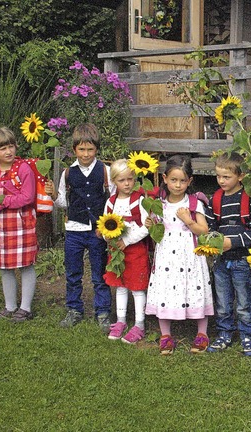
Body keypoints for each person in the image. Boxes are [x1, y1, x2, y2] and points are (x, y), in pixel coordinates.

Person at [46, 123, 114, 332]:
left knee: (99, 274)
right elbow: (63, 204)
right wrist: (53, 196)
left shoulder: (105, 171)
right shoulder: (68, 173)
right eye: (82, 149)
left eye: (90, 149)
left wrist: (108, 227)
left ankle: (102, 312)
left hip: (96, 231)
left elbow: (112, 202)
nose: (86, 154)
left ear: (97, 149)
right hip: (74, 230)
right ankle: (74, 309)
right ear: (75, 149)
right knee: (73, 273)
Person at [145, 155, 214, 355]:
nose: (178, 185)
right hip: (167, 256)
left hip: (190, 257)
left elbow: (204, 230)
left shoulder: (194, 203)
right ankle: (165, 334)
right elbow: (155, 229)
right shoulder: (158, 204)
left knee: (195, 288)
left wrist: (188, 220)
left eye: (183, 181)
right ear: (165, 178)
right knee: (165, 289)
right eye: (173, 180)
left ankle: (202, 333)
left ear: (190, 181)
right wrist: (150, 225)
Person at [205, 152, 251, 356]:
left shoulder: (250, 198)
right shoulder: (215, 199)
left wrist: (233, 242)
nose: (221, 181)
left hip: (243, 260)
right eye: (219, 176)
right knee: (222, 300)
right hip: (221, 260)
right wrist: (212, 242)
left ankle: (247, 334)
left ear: (240, 176)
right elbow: (211, 226)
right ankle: (224, 333)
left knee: (244, 301)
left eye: (226, 177)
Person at [0, 127, 38, 323]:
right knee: (5, 267)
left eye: (11, 146)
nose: (8, 152)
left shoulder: (23, 168)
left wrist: (3, 202)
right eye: (3, 149)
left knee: (26, 264)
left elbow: (27, 197)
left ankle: (25, 308)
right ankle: (10, 306)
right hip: (3, 226)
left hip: (23, 222)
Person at [99, 159, 150, 344]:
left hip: (135, 250)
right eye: (122, 180)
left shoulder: (140, 200)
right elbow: (105, 224)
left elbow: (146, 227)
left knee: (137, 287)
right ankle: (120, 321)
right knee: (120, 285)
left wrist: (127, 240)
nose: (127, 183)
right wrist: (108, 237)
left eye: (130, 179)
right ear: (114, 181)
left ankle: (139, 324)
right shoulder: (110, 202)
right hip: (116, 252)